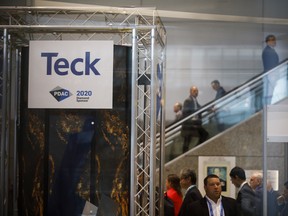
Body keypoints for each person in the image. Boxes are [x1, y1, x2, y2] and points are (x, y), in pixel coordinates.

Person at [181, 86, 209, 152]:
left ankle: (194, 150)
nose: (196, 92)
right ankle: (186, 154)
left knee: (204, 134)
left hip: (194, 123)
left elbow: (200, 108)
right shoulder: (188, 100)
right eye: (194, 91)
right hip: (189, 125)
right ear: (190, 92)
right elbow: (185, 112)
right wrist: (191, 120)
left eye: (197, 91)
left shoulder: (194, 100)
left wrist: (210, 109)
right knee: (187, 141)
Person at [261, 34, 280, 105]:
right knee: (269, 93)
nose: (274, 41)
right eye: (272, 40)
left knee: (268, 93)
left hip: (270, 75)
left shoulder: (269, 50)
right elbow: (272, 66)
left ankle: (267, 107)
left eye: (274, 40)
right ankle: (267, 108)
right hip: (271, 75)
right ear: (267, 42)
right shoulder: (268, 52)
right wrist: (275, 76)